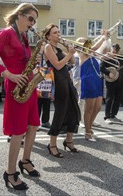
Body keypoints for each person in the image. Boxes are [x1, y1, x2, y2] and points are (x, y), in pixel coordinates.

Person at [0, 3, 41, 191]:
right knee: (18, 131)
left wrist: (34, 61)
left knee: (33, 124)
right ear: (20, 15)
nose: (33, 23)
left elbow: (24, 59)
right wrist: (7, 74)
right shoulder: (6, 33)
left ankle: (25, 161)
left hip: (28, 83)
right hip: (15, 83)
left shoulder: (23, 35)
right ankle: (10, 173)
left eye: (35, 20)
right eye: (31, 18)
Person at [42, 23, 81, 158]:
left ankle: (69, 141)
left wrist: (69, 50)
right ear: (48, 36)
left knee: (73, 110)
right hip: (58, 82)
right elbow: (58, 66)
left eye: (59, 32)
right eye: (55, 33)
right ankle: (52, 144)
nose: (58, 35)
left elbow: (72, 61)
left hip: (66, 80)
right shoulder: (48, 47)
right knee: (60, 112)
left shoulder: (58, 48)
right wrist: (69, 53)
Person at [77, 32, 109, 142]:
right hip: (88, 81)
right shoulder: (81, 53)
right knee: (89, 108)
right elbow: (94, 47)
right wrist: (103, 38)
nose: (86, 43)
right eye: (83, 41)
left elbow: (100, 50)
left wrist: (105, 38)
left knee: (98, 107)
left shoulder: (92, 55)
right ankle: (87, 131)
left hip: (96, 81)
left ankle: (89, 127)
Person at [100, 43, 123, 124]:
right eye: (113, 50)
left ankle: (113, 115)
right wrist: (108, 73)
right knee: (109, 98)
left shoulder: (119, 58)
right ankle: (107, 117)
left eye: (116, 50)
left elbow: (122, 68)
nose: (115, 52)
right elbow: (101, 67)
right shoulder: (106, 58)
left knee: (117, 98)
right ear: (110, 49)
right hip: (110, 81)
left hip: (119, 81)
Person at [37, 41, 51, 129]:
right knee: (38, 103)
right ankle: (35, 122)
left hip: (48, 81)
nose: (44, 47)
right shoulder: (37, 56)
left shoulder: (49, 56)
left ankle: (45, 121)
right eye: (42, 45)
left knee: (47, 102)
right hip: (38, 81)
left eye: (45, 45)